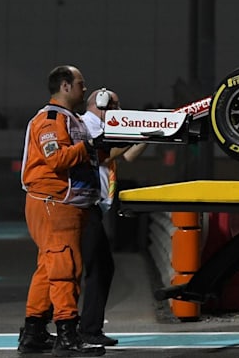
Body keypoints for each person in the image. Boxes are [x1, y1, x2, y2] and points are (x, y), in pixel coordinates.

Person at [19, 65, 105, 356]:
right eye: (81, 83)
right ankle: (67, 335)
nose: (85, 89)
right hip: (54, 203)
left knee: (49, 268)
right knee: (65, 268)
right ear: (66, 86)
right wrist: (89, 145)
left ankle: (33, 333)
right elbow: (56, 159)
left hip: (61, 203)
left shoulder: (70, 120)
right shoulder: (51, 119)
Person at [78, 88, 147, 348]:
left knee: (101, 267)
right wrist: (138, 130)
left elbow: (128, 154)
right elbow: (106, 153)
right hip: (85, 206)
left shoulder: (104, 129)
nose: (119, 111)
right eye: (116, 105)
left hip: (95, 208)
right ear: (102, 103)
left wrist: (151, 134)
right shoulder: (87, 125)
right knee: (95, 268)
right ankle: (85, 329)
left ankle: (87, 327)